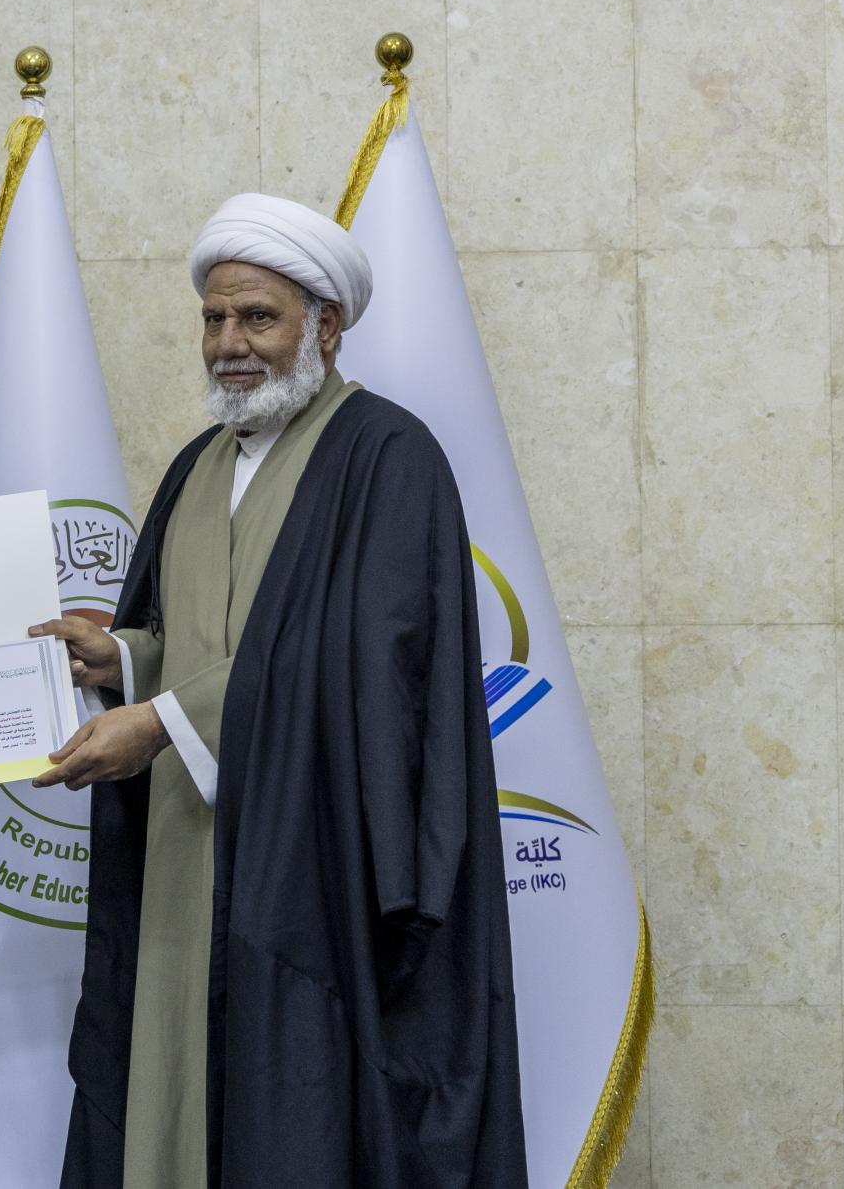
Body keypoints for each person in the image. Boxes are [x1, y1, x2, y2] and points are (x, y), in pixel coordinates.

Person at [32, 195, 528, 1187]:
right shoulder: (196, 466)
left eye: (257, 317)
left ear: (325, 326)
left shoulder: (386, 458)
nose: (229, 344)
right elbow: (199, 637)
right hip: (186, 851)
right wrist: (121, 659)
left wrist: (161, 720)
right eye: (214, 318)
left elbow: (364, 671)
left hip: (314, 877)